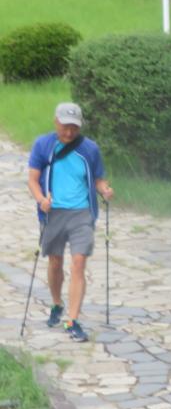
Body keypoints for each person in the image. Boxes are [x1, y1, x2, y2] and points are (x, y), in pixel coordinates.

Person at [27, 102, 113, 343]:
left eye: (73, 128)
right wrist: (41, 199)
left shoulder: (90, 149)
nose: (68, 133)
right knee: (55, 262)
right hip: (52, 212)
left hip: (82, 213)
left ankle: (72, 320)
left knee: (78, 262)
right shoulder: (43, 145)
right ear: (56, 122)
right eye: (65, 127)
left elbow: (97, 179)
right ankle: (57, 303)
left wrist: (104, 189)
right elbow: (33, 179)